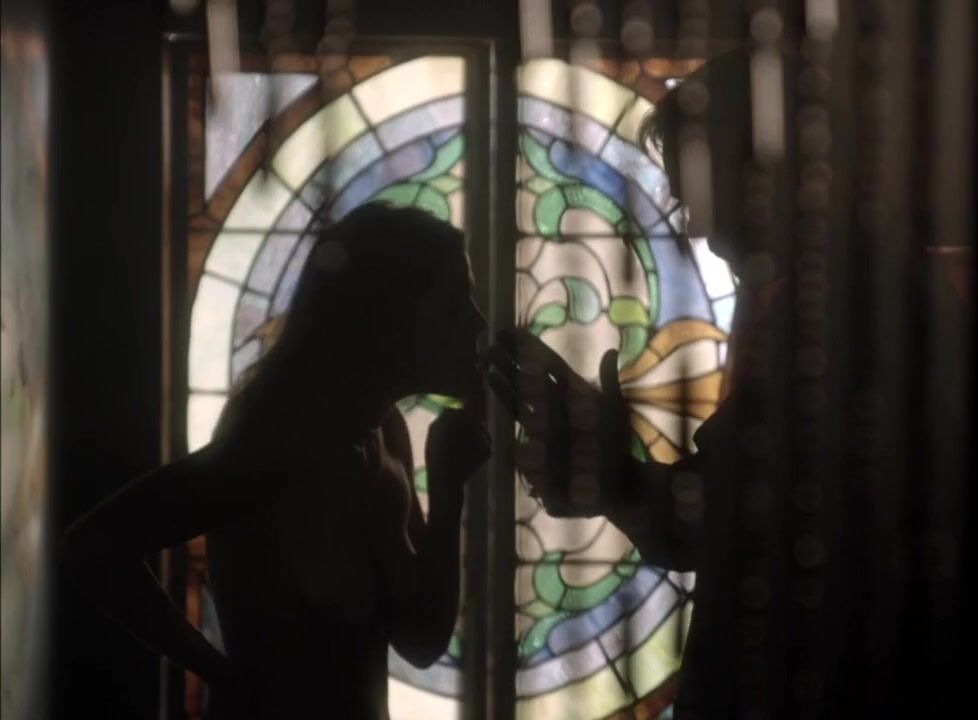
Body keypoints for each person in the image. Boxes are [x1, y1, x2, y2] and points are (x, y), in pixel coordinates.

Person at [488, 47, 969, 719]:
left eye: (700, 198)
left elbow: (730, 519)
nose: (697, 228)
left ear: (762, 174)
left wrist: (610, 474)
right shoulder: (873, 292)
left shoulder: (845, 312)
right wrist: (611, 473)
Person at [62, 203, 491, 719]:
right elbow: (95, 543)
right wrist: (218, 674)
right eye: (453, 308)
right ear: (388, 317)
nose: (478, 325)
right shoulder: (283, 440)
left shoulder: (385, 431)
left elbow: (420, 640)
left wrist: (448, 491)